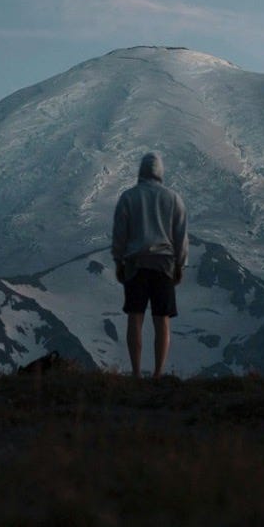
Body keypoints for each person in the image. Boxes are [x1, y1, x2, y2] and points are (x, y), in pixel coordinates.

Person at [111, 151, 189, 378]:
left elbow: (120, 233)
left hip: (135, 264)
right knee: (161, 319)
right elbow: (180, 235)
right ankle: (157, 373)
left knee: (135, 317)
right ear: (160, 172)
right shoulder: (173, 198)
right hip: (164, 264)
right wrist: (180, 264)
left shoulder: (128, 197)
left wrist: (118, 260)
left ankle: (135, 372)